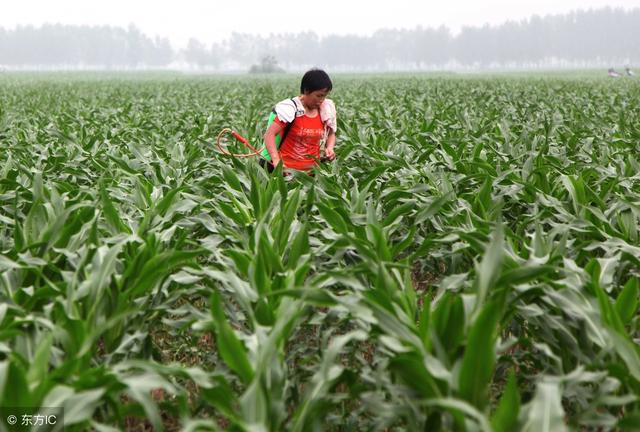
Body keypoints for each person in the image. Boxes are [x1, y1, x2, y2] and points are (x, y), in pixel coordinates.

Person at [261, 69, 337, 174]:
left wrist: (330, 148)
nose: (322, 100)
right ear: (306, 91)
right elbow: (269, 135)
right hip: (286, 172)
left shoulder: (325, 110)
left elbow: (331, 133)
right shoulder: (291, 109)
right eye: (319, 95)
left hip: (311, 174)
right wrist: (276, 160)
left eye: (324, 96)